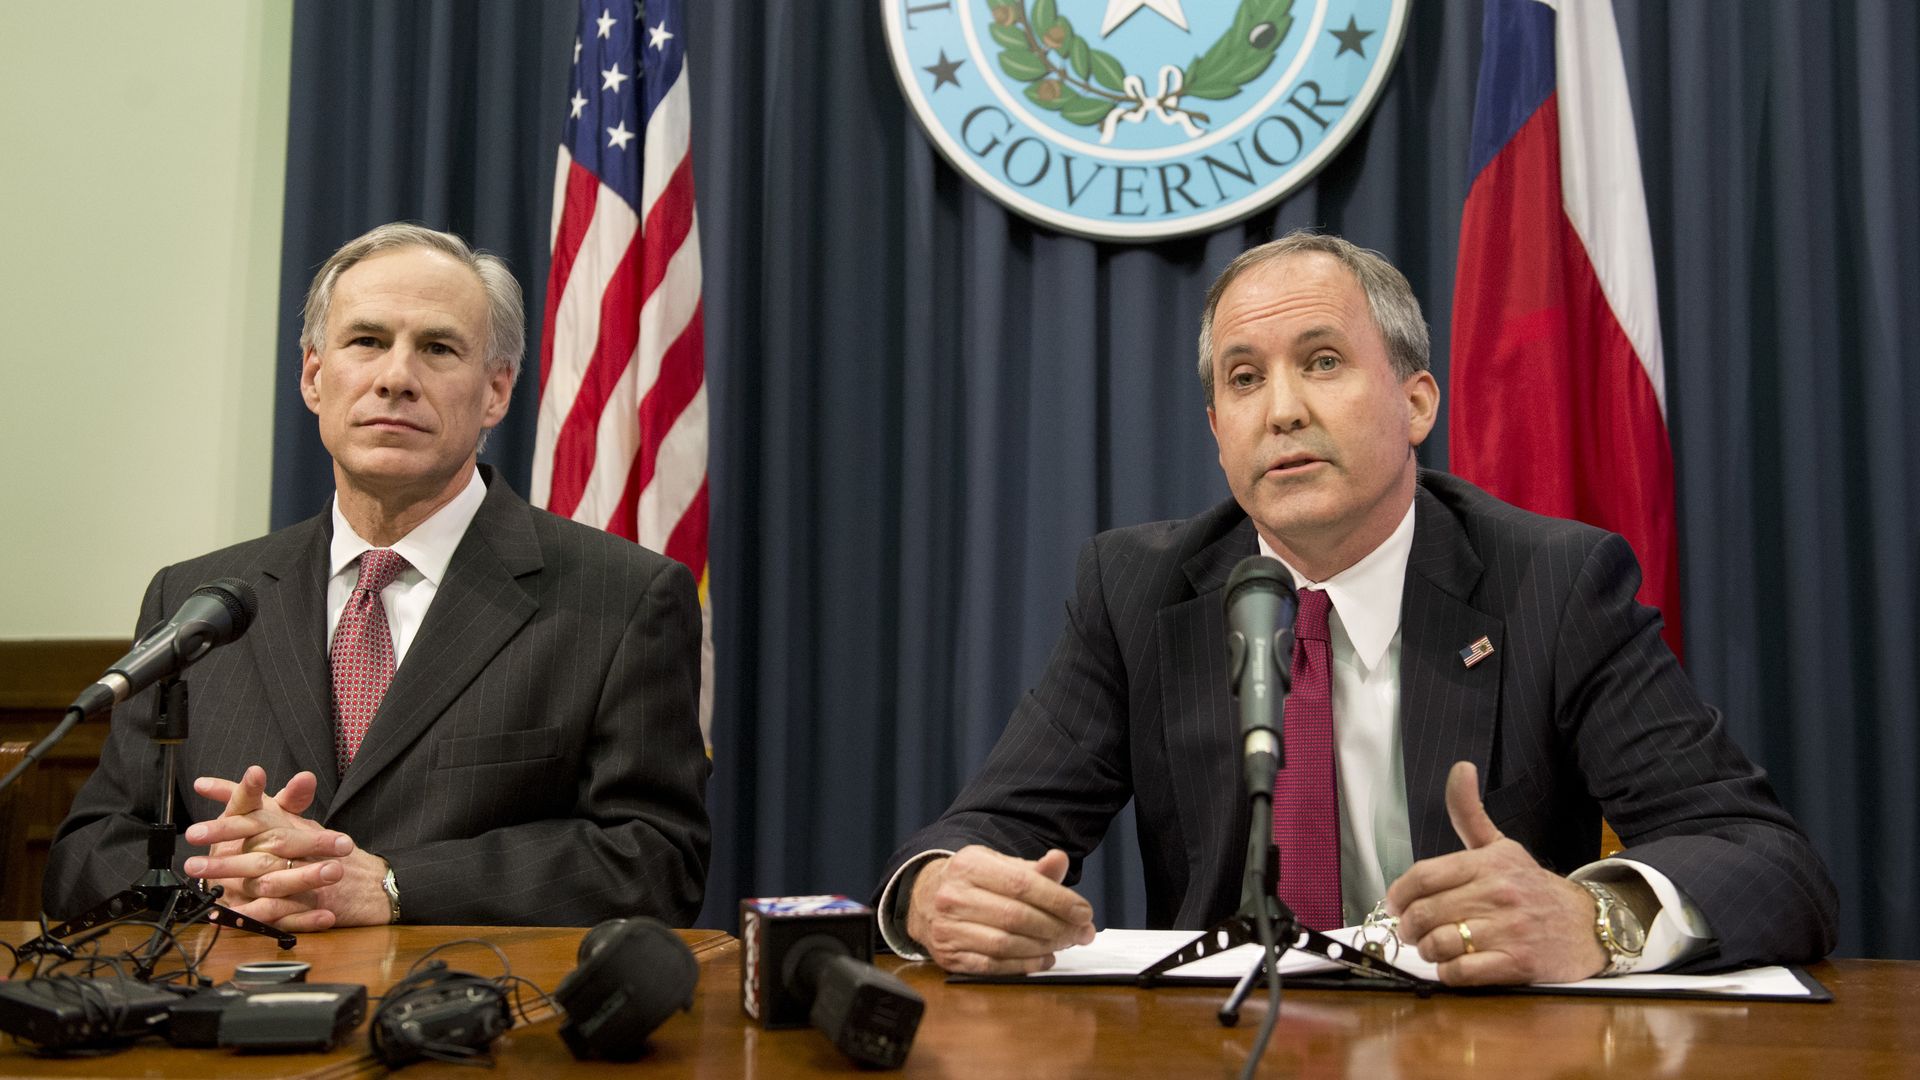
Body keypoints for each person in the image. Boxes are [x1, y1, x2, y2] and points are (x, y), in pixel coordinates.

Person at [877, 232, 1837, 984]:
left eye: (1323, 361)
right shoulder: (1138, 590)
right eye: (1243, 379)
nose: (1282, 410)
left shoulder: (1553, 582)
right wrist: (938, 896)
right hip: (1222, 1050)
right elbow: (979, 834)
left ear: (1417, 403)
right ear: (1217, 432)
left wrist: (1595, 922)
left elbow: (1768, 864)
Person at [45, 223, 710, 929]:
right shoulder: (195, 601)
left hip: (474, 1022)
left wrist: (396, 885)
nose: (396, 376)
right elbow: (87, 856)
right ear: (312, 375)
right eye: (366, 341)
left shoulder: (623, 598)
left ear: (495, 391)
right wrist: (222, 878)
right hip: (226, 1020)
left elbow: (656, 862)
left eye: (437, 348)